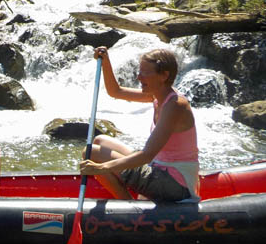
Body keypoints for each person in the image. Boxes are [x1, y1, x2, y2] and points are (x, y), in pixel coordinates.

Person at [79, 47, 200, 202]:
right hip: (158, 165)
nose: (138, 77)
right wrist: (105, 62)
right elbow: (115, 91)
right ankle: (130, 201)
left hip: (177, 184)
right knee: (99, 141)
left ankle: (128, 205)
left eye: (144, 73)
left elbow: (146, 155)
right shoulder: (157, 96)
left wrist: (101, 168)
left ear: (164, 75)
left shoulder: (175, 105)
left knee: (91, 153)